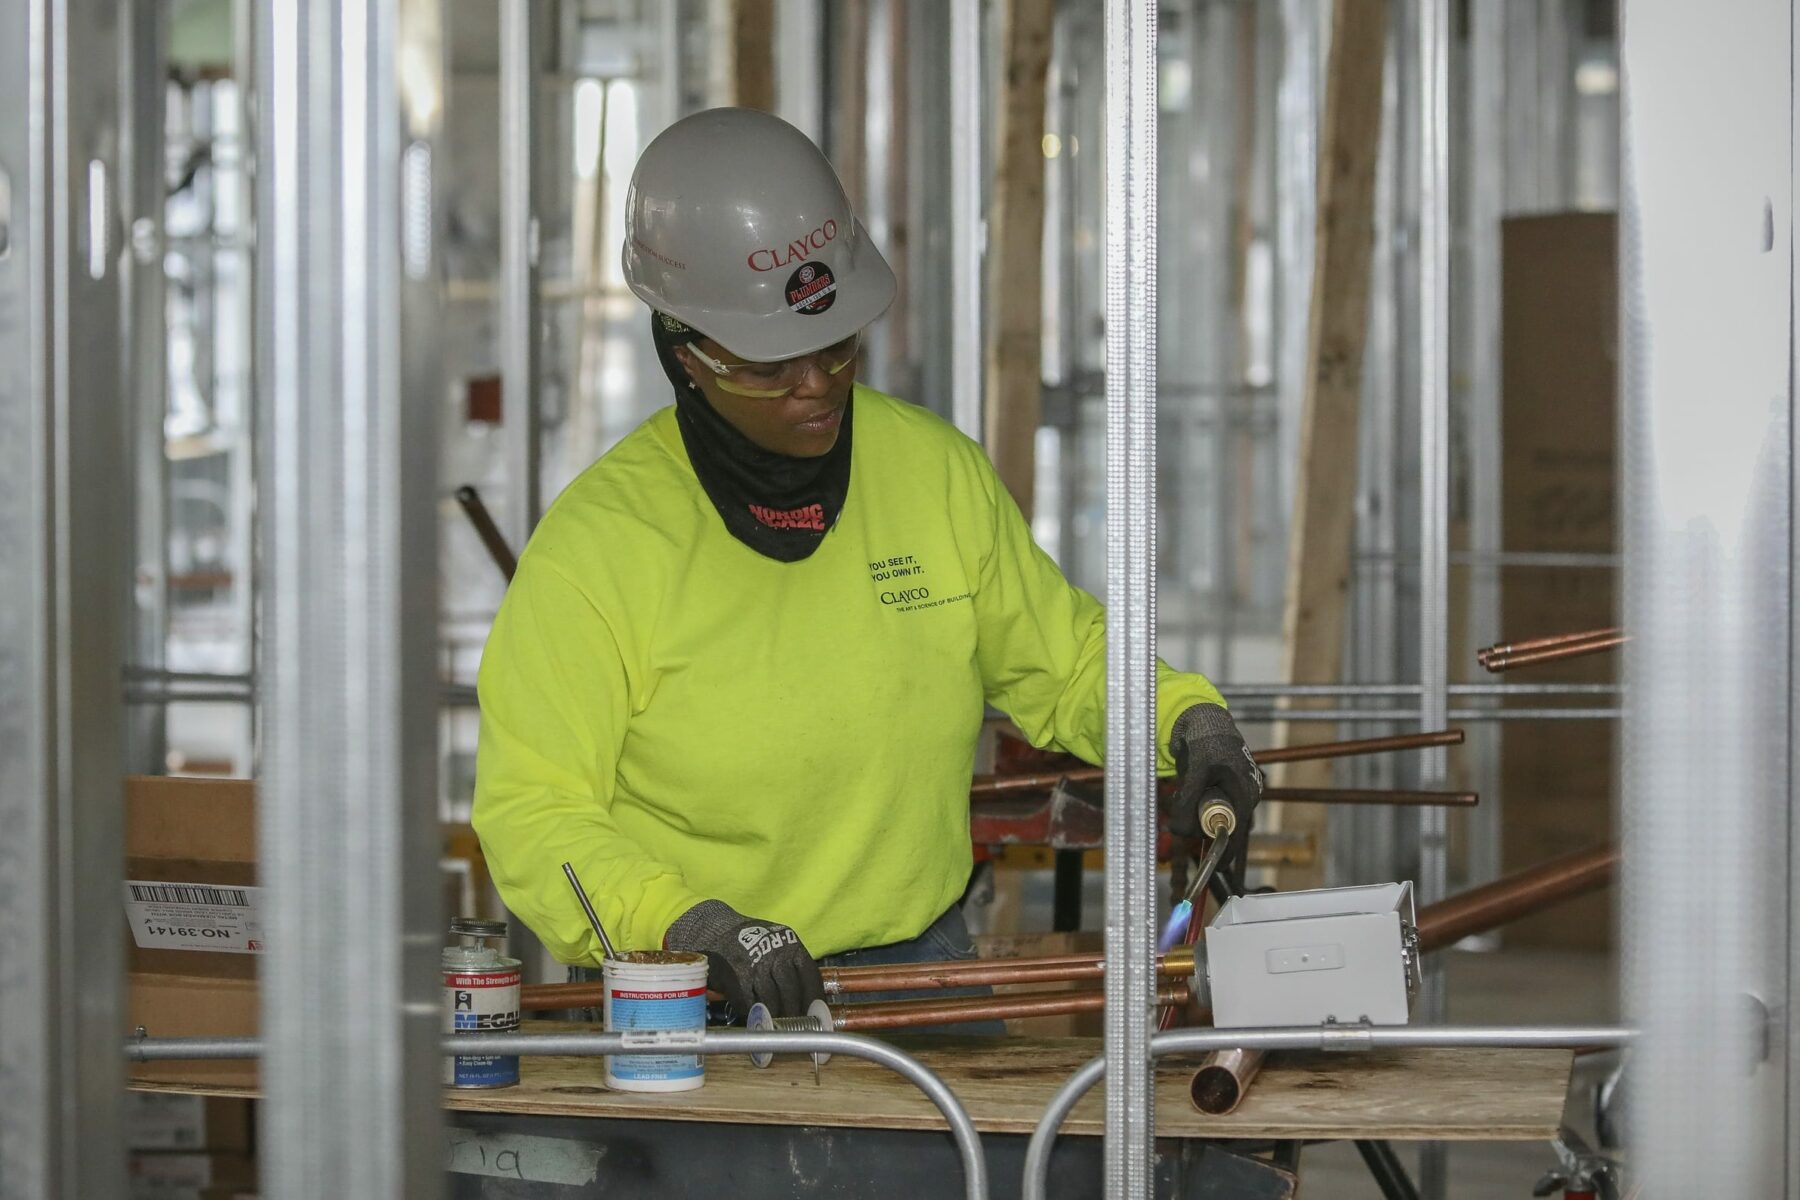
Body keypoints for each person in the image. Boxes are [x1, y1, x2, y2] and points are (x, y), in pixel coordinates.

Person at [472, 108, 1262, 1025]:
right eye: (771, 366)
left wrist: (1186, 718)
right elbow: (534, 812)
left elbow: (1068, 661)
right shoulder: (599, 548)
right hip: (689, 988)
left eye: (837, 345)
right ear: (683, 352)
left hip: (920, 969)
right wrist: (685, 926)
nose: (817, 386)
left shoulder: (932, 476)